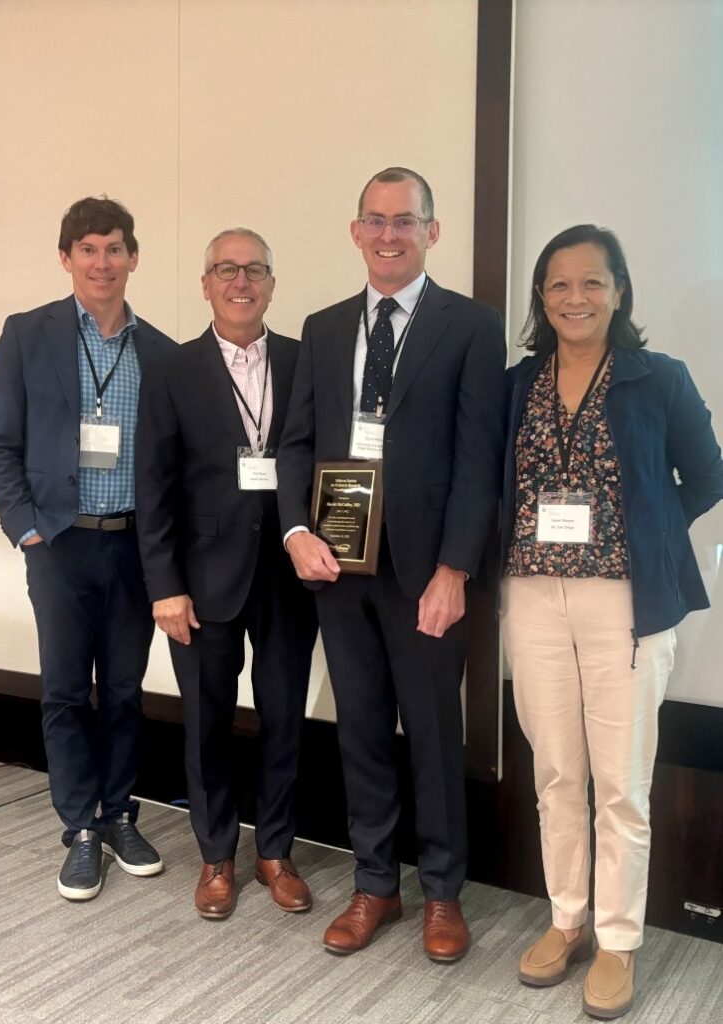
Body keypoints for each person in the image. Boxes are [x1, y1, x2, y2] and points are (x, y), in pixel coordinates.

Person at [276, 168, 506, 960]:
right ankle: (376, 884)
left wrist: (456, 570)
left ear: (432, 232)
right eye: (374, 220)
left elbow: (479, 459)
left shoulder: (471, 326)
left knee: (436, 734)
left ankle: (442, 893)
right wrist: (294, 532)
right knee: (362, 732)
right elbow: (298, 443)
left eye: (404, 220)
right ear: (355, 231)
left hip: (425, 575)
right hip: (341, 569)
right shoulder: (326, 325)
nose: (388, 234)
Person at [500, 224, 723, 1018]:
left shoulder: (658, 379)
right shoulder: (517, 383)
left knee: (621, 784)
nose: (575, 298)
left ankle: (619, 937)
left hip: (624, 604)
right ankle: (567, 920)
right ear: (541, 297)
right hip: (532, 596)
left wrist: (652, 531)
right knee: (556, 773)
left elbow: (706, 475)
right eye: (558, 285)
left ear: (619, 290)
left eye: (592, 282)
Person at [0, 197, 176, 900]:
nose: (102, 262)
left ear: (133, 258)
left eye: (115, 248)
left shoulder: (159, 350)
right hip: (60, 544)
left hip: (131, 546)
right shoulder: (27, 335)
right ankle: (80, 831)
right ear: (66, 258)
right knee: (66, 691)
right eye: (88, 249)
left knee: (125, 691)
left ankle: (121, 814)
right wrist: (27, 528)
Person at [135, 228, 318, 920]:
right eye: (225, 270)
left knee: (283, 720)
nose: (241, 282)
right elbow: (151, 487)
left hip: (290, 576)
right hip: (200, 582)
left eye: (254, 270)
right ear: (205, 284)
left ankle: (275, 849)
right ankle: (216, 854)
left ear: (272, 284)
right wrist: (163, 586)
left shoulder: (306, 363)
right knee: (206, 723)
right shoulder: (173, 370)